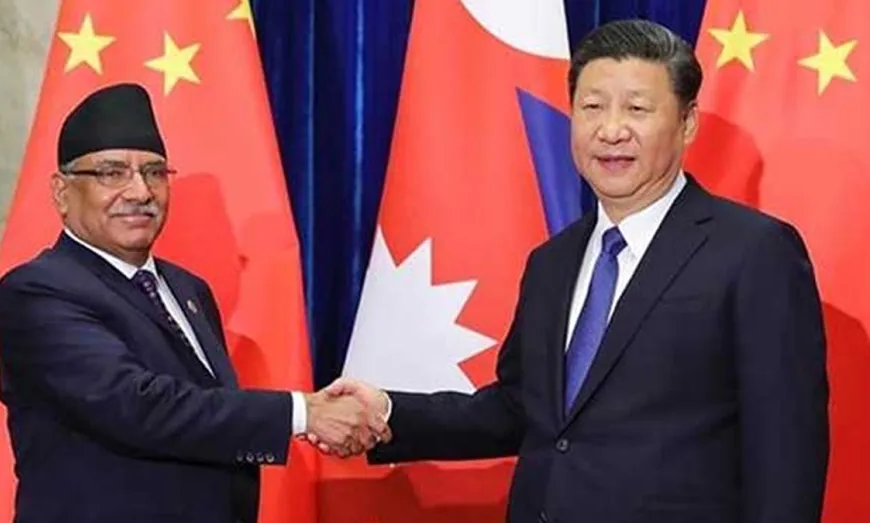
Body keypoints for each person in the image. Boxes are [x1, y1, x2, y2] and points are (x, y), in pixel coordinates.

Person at [325, 19, 829, 523]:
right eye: (592, 107)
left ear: (688, 122)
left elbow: (786, 450)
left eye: (637, 108)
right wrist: (387, 411)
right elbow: (520, 409)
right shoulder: (553, 261)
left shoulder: (754, 252)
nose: (611, 130)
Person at [0, 83, 388, 523]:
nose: (140, 191)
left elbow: (206, 415)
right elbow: (137, 406)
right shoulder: (36, 292)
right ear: (62, 192)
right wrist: (303, 413)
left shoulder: (188, 289)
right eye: (112, 173)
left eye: (155, 172)